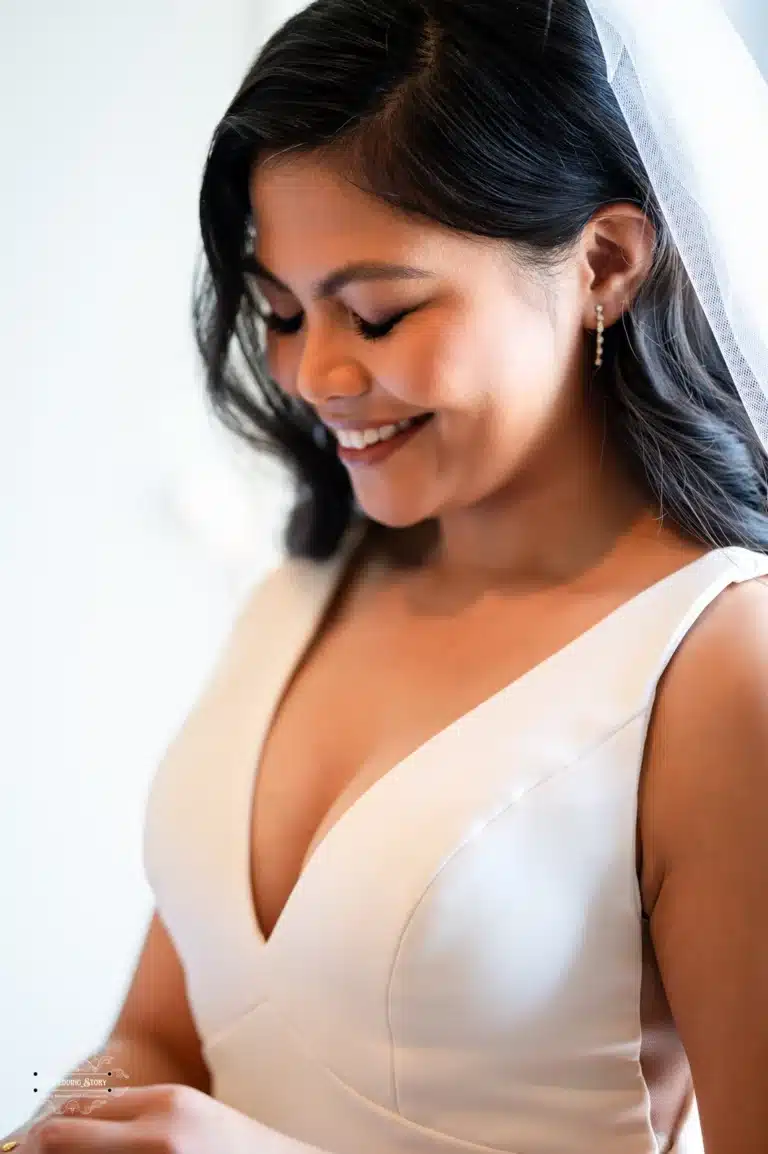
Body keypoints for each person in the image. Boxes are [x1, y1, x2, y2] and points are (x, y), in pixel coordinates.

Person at [6, 1, 767, 1151]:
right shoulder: (303, 592)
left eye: (379, 311)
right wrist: (67, 1126)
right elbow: (162, 1037)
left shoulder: (718, 672)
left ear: (603, 263)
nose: (315, 373)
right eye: (277, 311)